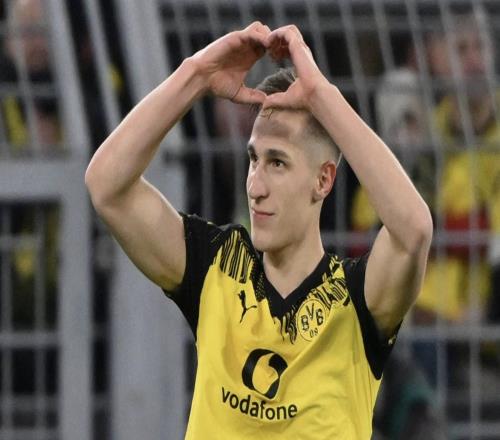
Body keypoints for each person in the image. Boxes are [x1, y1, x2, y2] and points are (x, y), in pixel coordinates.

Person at [85, 22, 432, 439]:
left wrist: (321, 96)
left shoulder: (357, 301)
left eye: (277, 163)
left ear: (323, 179)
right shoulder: (216, 268)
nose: (255, 186)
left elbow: (413, 230)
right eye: (254, 160)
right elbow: (107, 185)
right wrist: (196, 74)